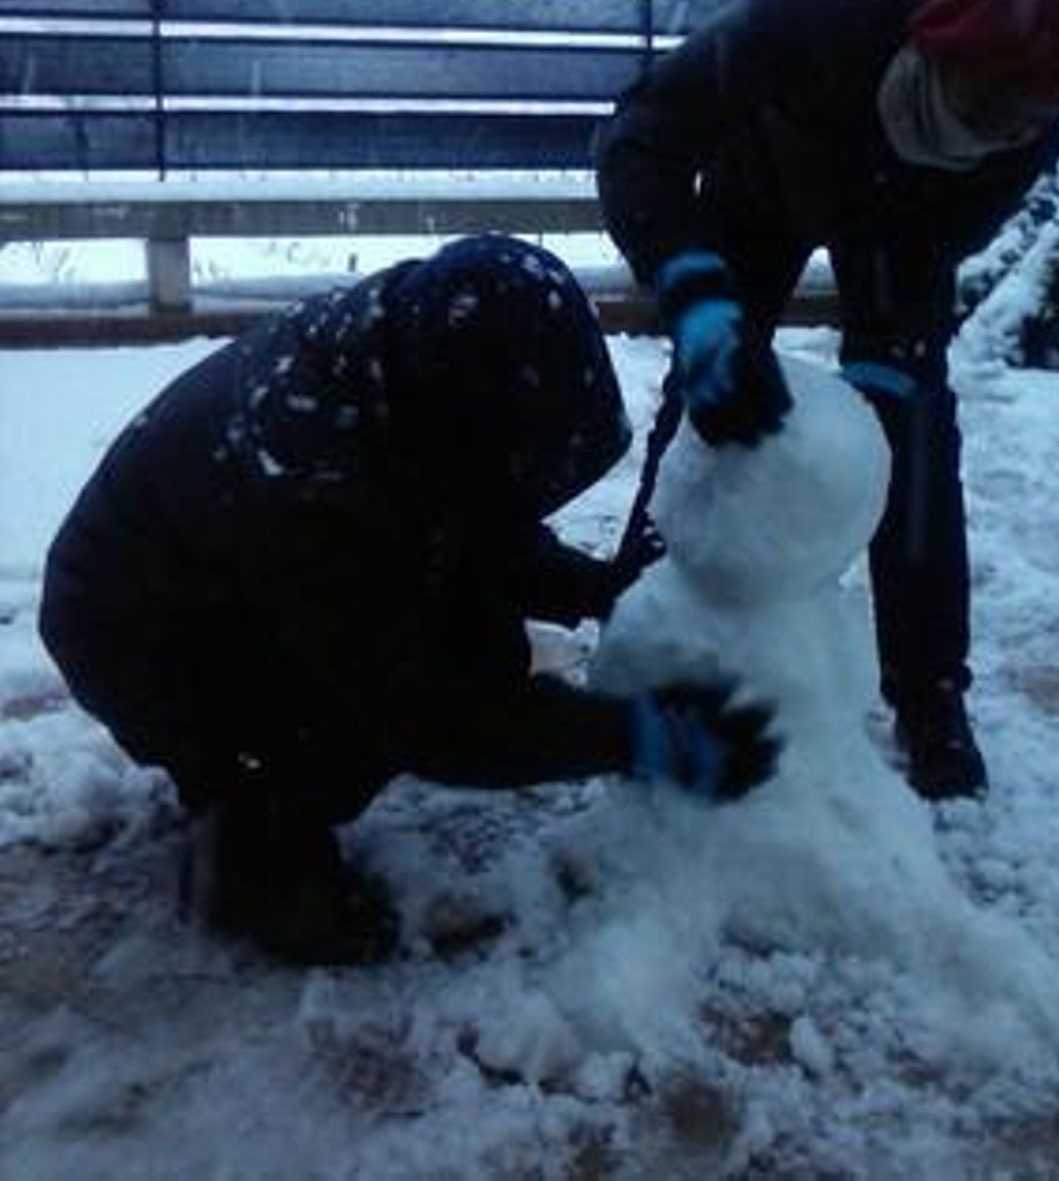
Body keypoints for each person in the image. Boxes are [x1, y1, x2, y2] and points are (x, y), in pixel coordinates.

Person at [39, 235, 780, 965]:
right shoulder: (316, 477)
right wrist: (639, 739)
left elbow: (472, 519)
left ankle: (255, 775)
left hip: (228, 576)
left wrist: (588, 587)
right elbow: (429, 718)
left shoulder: (414, 361)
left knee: (478, 638)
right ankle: (246, 840)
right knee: (365, 716)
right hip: (136, 635)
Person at [596, 0, 1059, 802]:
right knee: (710, 401)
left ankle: (931, 696)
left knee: (914, 435)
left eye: (1035, 112)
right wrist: (694, 292)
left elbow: (932, 259)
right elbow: (641, 136)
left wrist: (882, 374)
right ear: (951, 37)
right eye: (993, 100)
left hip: (901, 223)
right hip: (766, 180)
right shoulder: (819, 4)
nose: (1013, 127)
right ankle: (647, 616)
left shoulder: (1029, 122)